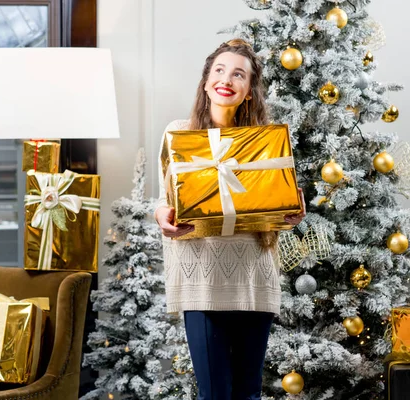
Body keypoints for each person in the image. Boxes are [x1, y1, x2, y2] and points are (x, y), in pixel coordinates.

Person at [155, 39, 305, 400]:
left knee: (248, 393)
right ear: (206, 82)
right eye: (219, 71)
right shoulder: (179, 133)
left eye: (239, 74)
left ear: (249, 91)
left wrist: (293, 214)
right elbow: (164, 201)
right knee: (215, 395)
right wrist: (163, 217)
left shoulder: (267, 143)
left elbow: (279, 212)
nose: (227, 79)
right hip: (203, 280)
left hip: (253, 276)